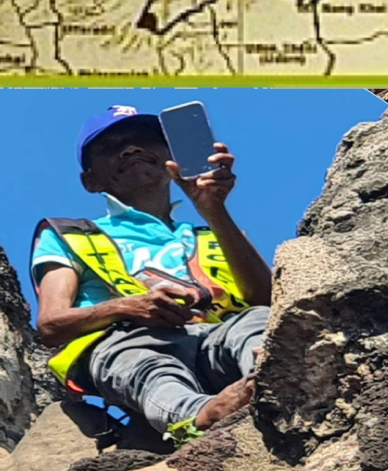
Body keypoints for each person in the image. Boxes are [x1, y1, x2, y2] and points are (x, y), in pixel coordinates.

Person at [31, 104, 273, 444]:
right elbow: (51, 325)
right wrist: (126, 307)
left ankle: (270, 377)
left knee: (256, 322)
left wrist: (213, 209)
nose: (131, 149)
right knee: (144, 366)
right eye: (110, 147)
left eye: (145, 139)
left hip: (215, 340)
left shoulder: (214, 233)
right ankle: (198, 416)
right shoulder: (69, 234)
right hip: (129, 340)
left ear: (171, 158)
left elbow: (267, 301)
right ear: (91, 180)